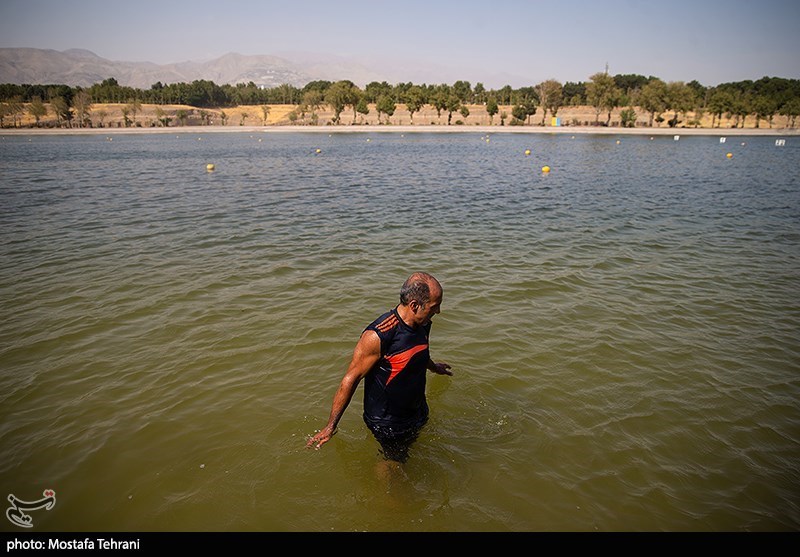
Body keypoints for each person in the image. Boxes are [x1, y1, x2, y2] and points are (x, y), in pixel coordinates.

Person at [306, 271, 452, 463]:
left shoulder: (423, 323)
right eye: (434, 306)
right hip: (388, 421)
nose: (438, 311)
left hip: (416, 410)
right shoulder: (379, 335)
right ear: (415, 306)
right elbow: (351, 378)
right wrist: (330, 426)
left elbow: (417, 351)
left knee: (412, 454)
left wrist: (433, 367)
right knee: (393, 463)